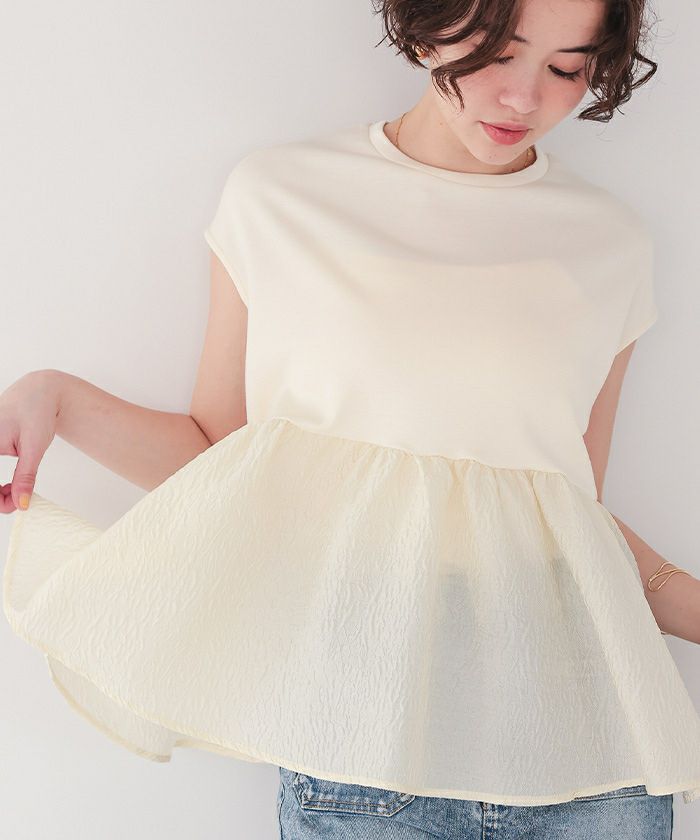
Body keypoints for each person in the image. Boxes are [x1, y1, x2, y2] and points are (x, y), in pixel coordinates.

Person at [1, 0, 698, 837]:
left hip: (586, 744)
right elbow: (225, 463)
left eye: (565, 68)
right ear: (429, 25)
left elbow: (565, 514)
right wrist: (58, 398)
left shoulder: (609, 242)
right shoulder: (285, 195)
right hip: (363, 729)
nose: (523, 98)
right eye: (496, 53)